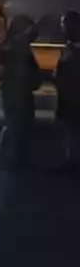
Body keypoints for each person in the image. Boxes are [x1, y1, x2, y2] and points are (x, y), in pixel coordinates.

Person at [0, 14, 42, 169]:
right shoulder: (15, 46)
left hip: (14, 90)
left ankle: (8, 157)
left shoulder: (7, 45)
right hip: (18, 91)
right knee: (19, 125)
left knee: (15, 125)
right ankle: (15, 158)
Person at [56, 11, 80, 170]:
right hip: (68, 95)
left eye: (65, 24)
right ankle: (71, 159)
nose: (63, 28)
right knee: (71, 130)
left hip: (75, 95)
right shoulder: (68, 47)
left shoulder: (72, 49)